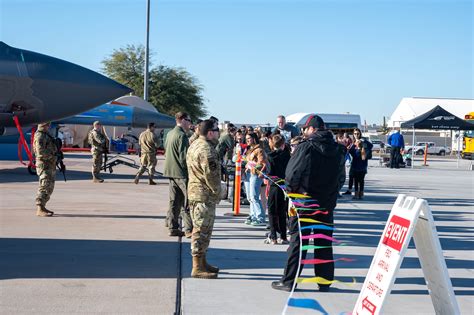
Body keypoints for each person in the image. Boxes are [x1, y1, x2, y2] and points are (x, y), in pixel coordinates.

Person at [272, 114, 344, 292]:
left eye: (305, 129)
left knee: (299, 242)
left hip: (304, 202)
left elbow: (292, 174)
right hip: (326, 204)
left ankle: (289, 281)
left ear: (311, 129)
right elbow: (341, 179)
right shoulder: (338, 149)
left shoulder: (306, 147)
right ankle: (325, 281)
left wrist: (292, 194)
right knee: (323, 242)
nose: (304, 132)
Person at [186, 119, 222, 279]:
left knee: (203, 230)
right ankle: (197, 267)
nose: (218, 133)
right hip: (204, 195)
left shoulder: (194, 145)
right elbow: (212, 175)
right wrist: (218, 192)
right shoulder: (207, 150)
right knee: (201, 230)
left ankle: (202, 262)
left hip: (196, 192)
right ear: (209, 133)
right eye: (216, 130)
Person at [163, 112, 194, 237]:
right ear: (181, 120)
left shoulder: (170, 133)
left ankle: (173, 227)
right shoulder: (182, 136)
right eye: (188, 120)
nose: (190, 123)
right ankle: (188, 229)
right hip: (181, 173)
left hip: (170, 172)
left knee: (174, 201)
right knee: (187, 201)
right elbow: (184, 158)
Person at [266, 134, 291, 244]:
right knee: (282, 212)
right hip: (284, 186)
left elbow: (270, 173)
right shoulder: (288, 156)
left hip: (274, 186)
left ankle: (273, 236)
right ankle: (284, 236)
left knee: (272, 212)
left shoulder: (270, 156)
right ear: (283, 144)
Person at [33, 122, 59, 217]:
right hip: (44, 164)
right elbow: (40, 152)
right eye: (48, 125)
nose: (49, 127)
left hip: (49, 164)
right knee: (44, 185)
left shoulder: (46, 135)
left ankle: (43, 206)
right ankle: (39, 208)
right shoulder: (40, 135)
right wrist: (53, 156)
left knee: (49, 186)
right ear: (44, 126)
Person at [243, 132, 268, 226]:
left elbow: (262, 163)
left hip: (255, 174)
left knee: (254, 196)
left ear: (254, 139)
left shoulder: (259, 150)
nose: (247, 140)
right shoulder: (249, 150)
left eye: (249, 138)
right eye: (246, 139)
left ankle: (260, 217)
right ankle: (253, 215)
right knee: (250, 197)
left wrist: (252, 166)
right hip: (248, 174)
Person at [348, 128, 370, 199]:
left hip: (362, 164)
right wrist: (351, 147)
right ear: (353, 134)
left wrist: (363, 143)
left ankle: (360, 194)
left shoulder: (363, 141)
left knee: (361, 180)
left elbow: (370, 146)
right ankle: (357, 194)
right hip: (355, 164)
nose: (356, 135)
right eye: (355, 133)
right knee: (356, 180)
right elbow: (351, 152)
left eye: (358, 133)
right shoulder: (353, 142)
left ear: (360, 134)